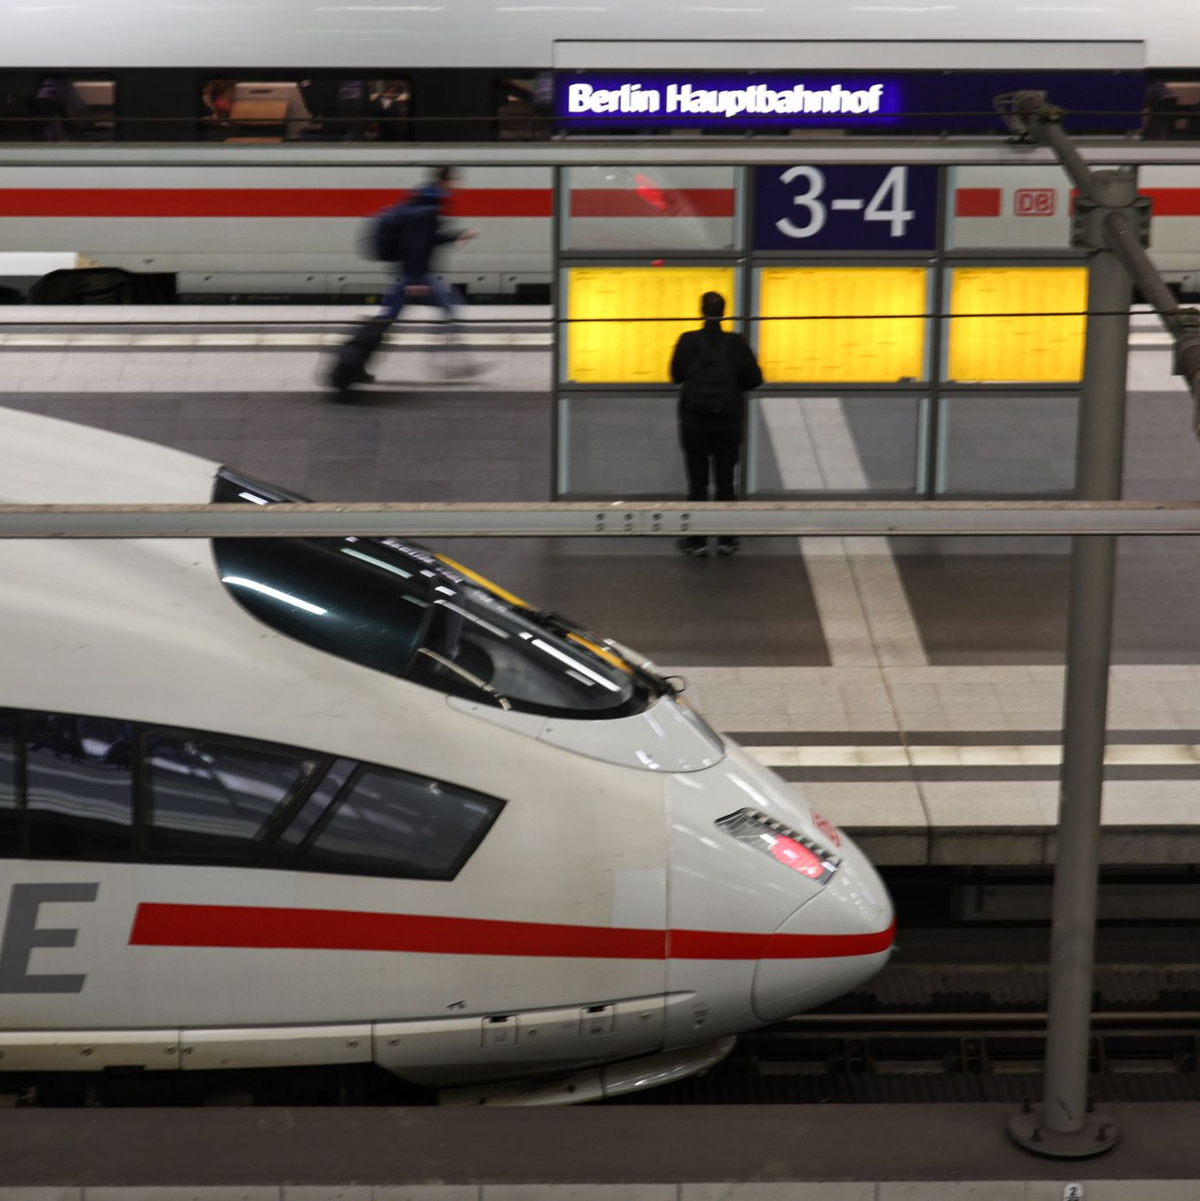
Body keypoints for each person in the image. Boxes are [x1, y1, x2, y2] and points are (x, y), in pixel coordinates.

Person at [329, 166, 477, 395]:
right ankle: (449, 364)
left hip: (408, 274)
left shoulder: (424, 202)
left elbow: (425, 239)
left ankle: (354, 364)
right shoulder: (427, 207)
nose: (460, 184)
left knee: (385, 320)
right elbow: (415, 245)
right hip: (413, 275)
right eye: (456, 179)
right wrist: (415, 278)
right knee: (449, 306)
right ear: (446, 181)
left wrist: (456, 235)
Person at [669, 291, 762, 557]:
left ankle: (696, 541)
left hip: (694, 423)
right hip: (728, 424)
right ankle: (726, 539)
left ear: (701, 311)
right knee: (725, 482)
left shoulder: (687, 341)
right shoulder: (736, 343)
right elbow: (755, 379)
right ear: (724, 312)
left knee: (697, 483)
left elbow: (675, 376)